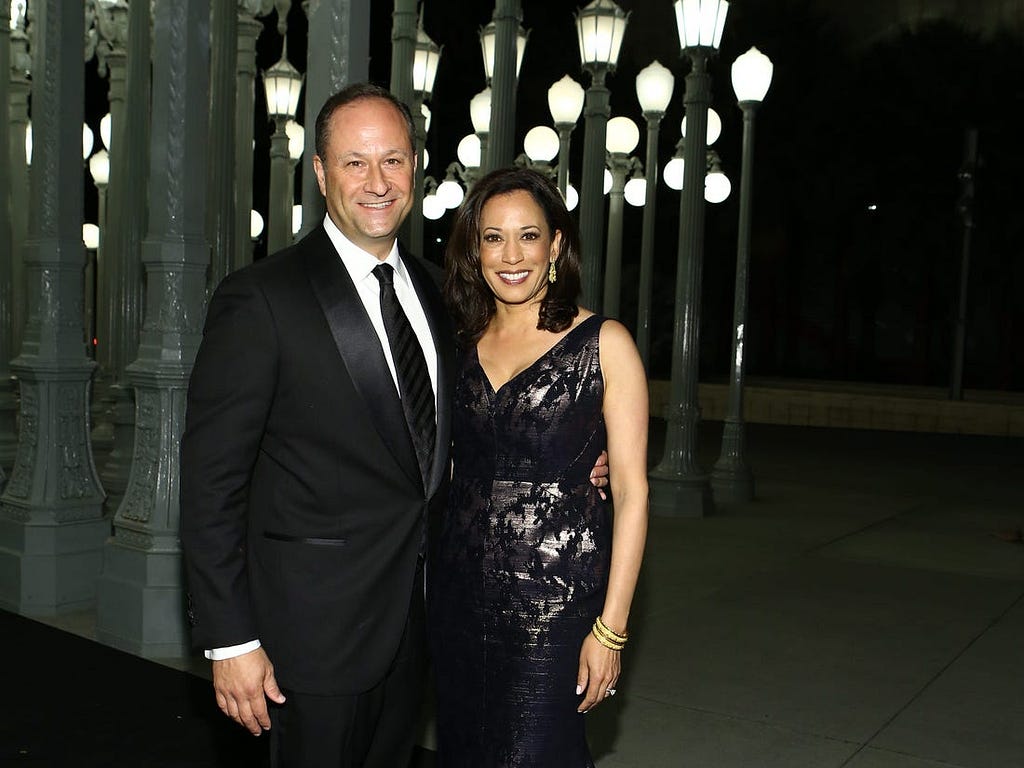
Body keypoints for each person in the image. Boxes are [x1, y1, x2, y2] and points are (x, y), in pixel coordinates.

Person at [180, 84, 607, 768]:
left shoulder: (444, 291)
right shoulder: (262, 298)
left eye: (394, 160)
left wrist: (572, 455)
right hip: (307, 641)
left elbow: (473, 420)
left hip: (424, 625)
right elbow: (209, 484)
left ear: (416, 169)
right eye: (355, 163)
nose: (377, 182)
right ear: (320, 174)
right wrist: (230, 641)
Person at [429, 167, 649, 767]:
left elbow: (631, 492)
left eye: (528, 235)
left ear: (556, 245)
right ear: (474, 251)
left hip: (556, 606)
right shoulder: (457, 345)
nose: (511, 255)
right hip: (457, 600)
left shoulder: (604, 344)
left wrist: (611, 629)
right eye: (493, 237)